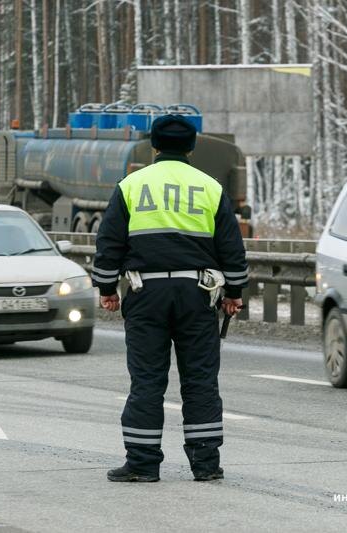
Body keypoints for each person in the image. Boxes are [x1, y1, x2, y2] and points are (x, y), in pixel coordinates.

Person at [92, 115, 248, 482]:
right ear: (192, 147)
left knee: (147, 380)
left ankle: (143, 464)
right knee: (200, 380)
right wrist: (234, 293)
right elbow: (231, 247)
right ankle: (206, 465)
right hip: (198, 294)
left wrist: (106, 288)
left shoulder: (131, 185)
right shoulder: (209, 187)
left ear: (154, 147)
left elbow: (110, 241)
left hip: (146, 293)